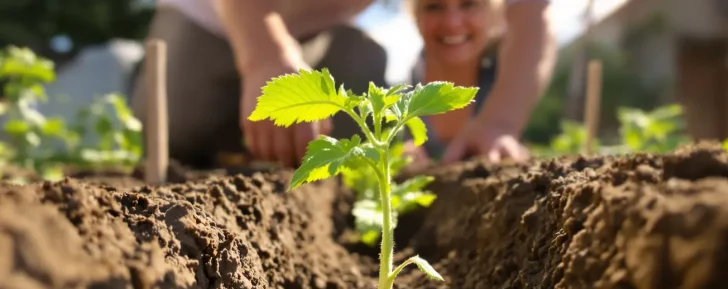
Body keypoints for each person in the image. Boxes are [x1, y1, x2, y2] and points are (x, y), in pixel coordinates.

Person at [130, 0, 555, 169]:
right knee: (177, 130)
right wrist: (265, 57)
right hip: (215, 18)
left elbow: (530, 10)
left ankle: (302, 185)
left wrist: (498, 122)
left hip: (322, 33)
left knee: (360, 87)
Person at [130, 0, 389, 169]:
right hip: (208, 19)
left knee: (360, 131)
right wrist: (266, 58)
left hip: (320, 32)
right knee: (172, 134)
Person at [402, 0, 557, 165]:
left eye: (468, 5)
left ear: (492, 13)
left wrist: (499, 125)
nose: (452, 23)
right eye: (435, 7)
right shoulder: (399, 94)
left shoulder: (517, 78)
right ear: (416, 17)